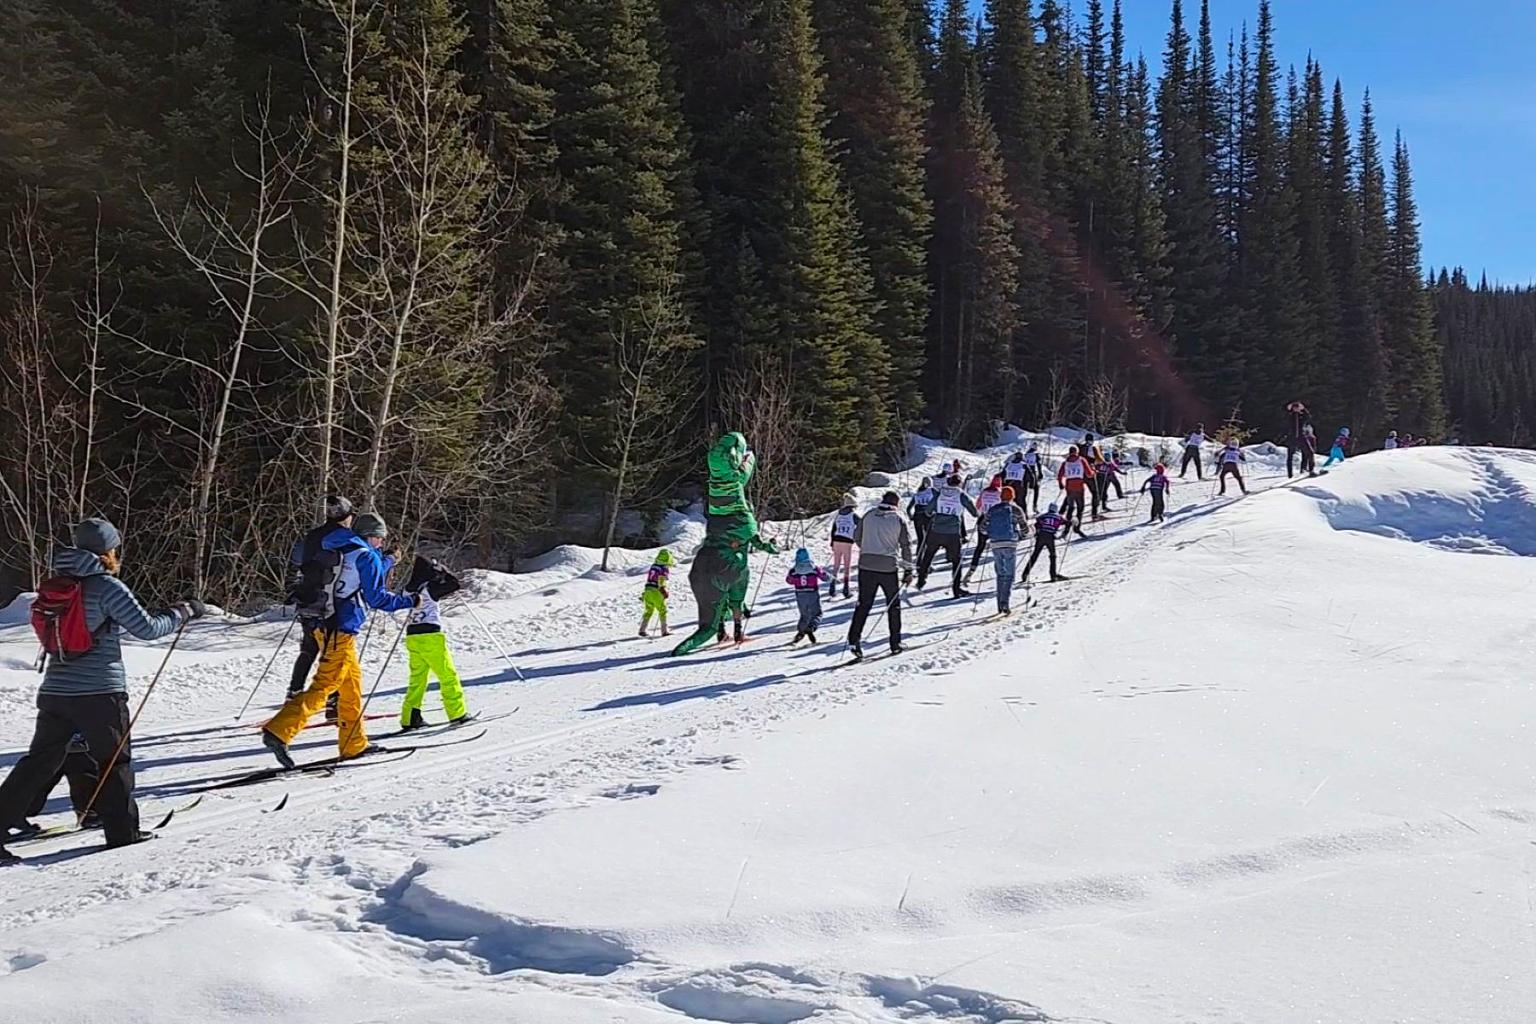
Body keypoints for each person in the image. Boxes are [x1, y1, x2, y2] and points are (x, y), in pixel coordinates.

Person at [0, 518, 205, 863]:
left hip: (56, 689)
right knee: (114, 760)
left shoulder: (54, 584)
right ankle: (122, 833)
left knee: (39, 762)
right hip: (99, 692)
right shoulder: (106, 586)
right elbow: (149, 629)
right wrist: (182, 612)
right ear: (108, 551)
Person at [262, 512, 417, 769]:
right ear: (372, 536)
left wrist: (389, 559)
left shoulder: (343, 547)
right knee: (326, 685)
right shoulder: (366, 555)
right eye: (380, 539)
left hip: (326, 623)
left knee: (351, 686)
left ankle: (354, 744)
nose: (381, 543)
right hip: (341, 629)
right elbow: (377, 598)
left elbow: (364, 571)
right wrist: (411, 601)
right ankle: (278, 731)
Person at [286, 495, 356, 698]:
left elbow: (297, 560)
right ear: (346, 516)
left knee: (309, 648)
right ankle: (334, 700)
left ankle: (294, 691)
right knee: (332, 653)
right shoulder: (346, 537)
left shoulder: (312, 536)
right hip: (330, 602)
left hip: (307, 597)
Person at [398, 556, 469, 731]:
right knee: (447, 675)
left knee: (418, 679)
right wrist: (443, 570)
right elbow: (454, 584)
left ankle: (410, 716)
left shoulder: (408, 589)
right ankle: (457, 714)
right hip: (430, 635)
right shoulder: (430, 588)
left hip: (413, 636)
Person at [847, 491, 914, 660]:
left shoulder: (868, 515)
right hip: (888, 566)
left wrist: (868, 547)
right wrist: (908, 570)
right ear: (896, 503)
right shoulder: (898, 518)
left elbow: (857, 537)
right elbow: (906, 545)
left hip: (866, 565)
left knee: (863, 604)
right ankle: (895, 643)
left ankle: (854, 640)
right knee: (893, 604)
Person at [916, 474, 977, 597]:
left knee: (928, 555)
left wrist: (935, 513)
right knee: (956, 561)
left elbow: (928, 511)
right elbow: (974, 512)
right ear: (959, 483)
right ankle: (956, 589)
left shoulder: (939, 493)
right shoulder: (961, 494)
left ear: (948, 482)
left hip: (936, 530)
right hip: (952, 533)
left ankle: (921, 580)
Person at [984, 486, 1029, 615]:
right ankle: (1005, 603)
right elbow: (1025, 529)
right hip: (1010, 543)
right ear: (1012, 496)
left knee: (1000, 574)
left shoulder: (992, 510)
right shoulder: (1016, 510)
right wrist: (1022, 535)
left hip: (995, 544)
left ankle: (999, 605)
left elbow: (983, 528)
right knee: (1009, 575)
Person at [785, 548, 829, 645]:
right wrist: (828, 576)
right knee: (817, 613)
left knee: (804, 615)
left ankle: (800, 632)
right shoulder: (814, 568)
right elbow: (824, 577)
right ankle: (811, 627)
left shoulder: (794, 570)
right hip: (812, 592)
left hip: (800, 594)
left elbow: (789, 581)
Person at [967, 475, 1005, 580]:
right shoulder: (1000, 493)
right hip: (995, 520)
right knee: (999, 545)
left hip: (983, 519)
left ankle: (972, 567)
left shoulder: (984, 491)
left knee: (980, 546)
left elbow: (978, 505)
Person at [1021, 503, 1067, 583]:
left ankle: (1025, 574)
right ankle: (1053, 575)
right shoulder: (1058, 517)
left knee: (1035, 555)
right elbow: (1067, 522)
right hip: (1050, 537)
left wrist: (1037, 532)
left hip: (1041, 536)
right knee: (1052, 555)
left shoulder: (1043, 516)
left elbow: (1037, 523)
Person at [1055, 445, 1093, 537]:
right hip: (1079, 485)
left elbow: (1060, 475)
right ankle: (1077, 528)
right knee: (1080, 508)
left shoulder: (1065, 462)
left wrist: (1061, 483)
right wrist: (1094, 472)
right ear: (1077, 452)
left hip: (1069, 486)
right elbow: (1089, 474)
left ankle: (1066, 530)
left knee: (1070, 508)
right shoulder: (1081, 460)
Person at [828, 493, 860, 599]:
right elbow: (861, 525)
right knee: (847, 566)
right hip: (847, 541)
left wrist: (832, 542)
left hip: (837, 539)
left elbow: (833, 529)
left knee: (836, 564)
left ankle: (832, 587)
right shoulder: (853, 515)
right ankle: (846, 588)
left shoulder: (838, 515)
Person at [639, 549, 673, 637]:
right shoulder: (664, 568)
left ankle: (642, 629)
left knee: (648, 610)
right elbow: (661, 579)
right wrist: (663, 590)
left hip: (648, 590)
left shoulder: (654, 566)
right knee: (662, 610)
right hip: (656, 591)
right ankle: (664, 631)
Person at [907, 477, 937, 551]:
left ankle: (919, 553)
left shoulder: (917, 493)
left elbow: (908, 508)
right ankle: (927, 554)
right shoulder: (932, 490)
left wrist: (911, 517)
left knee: (920, 537)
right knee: (929, 536)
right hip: (928, 516)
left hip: (917, 516)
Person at [1285, 402, 1312, 478]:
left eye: (1297, 407)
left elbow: (1308, 417)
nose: (1296, 408)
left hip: (1301, 436)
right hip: (1292, 437)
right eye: (1294, 407)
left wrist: (1303, 409)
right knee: (1290, 456)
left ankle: (1305, 469)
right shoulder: (1290, 416)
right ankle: (1290, 474)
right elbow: (1286, 420)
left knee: (1307, 452)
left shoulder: (1301, 416)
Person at [1020, 444, 1044, 512]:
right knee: (1036, 488)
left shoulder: (1026, 454)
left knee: (1024, 491)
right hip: (1032, 472)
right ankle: (1034, 505)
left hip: (1024, 473)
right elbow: (1038, 464)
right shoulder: (1036, 454)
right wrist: (1040, 473)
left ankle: (1023, 507)